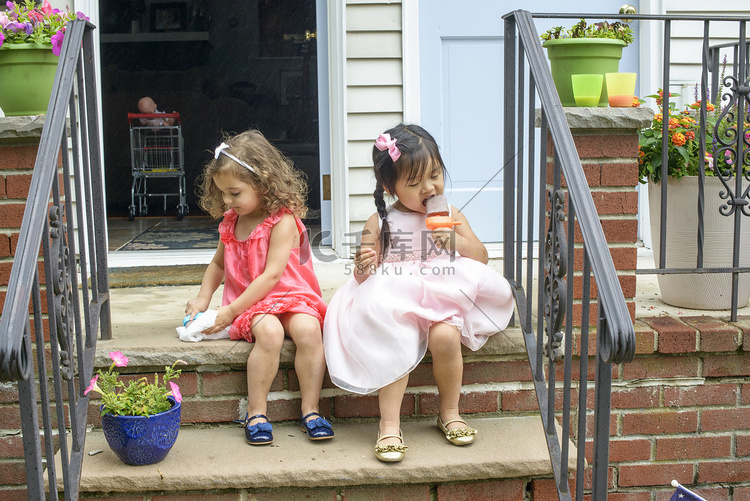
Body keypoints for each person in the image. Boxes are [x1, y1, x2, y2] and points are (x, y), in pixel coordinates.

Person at [323, 123, 514, 462]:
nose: (429, 187)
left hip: (442, 295)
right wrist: (365, 262)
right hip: (396, 300)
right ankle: (389, 425)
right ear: (390, 187)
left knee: (445, 338)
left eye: (435, 175)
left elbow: (481, 257)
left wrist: (452, 240)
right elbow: (363, 275)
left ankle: (450, 412)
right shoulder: (380, 222)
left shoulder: (451, 215)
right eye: (415, 183)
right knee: (395, 341)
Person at [185, 129, 333, 446]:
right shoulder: (230, 221)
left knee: (308, 330)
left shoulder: (282, 221)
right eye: (222, 192)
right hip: (254, 302)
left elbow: (270, 276)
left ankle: (311, 410)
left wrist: (229, 312)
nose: (227, 200)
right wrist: (202, 298)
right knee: (270, 333)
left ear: (262, 184)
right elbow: (218, 265)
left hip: (289, 294)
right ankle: (256, 413)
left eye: (234, 193)